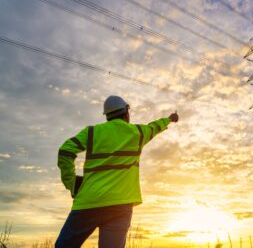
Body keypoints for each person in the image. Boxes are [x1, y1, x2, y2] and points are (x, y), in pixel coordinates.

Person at [55, 95, 179, 248]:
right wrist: (169, 119)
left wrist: (72, 183)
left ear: (107, 116)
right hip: (120, 205)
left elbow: (65, 151)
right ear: (126, 112)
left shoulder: (92, 132)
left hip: (88, 202)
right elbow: (155, 126)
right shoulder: (138, 132)